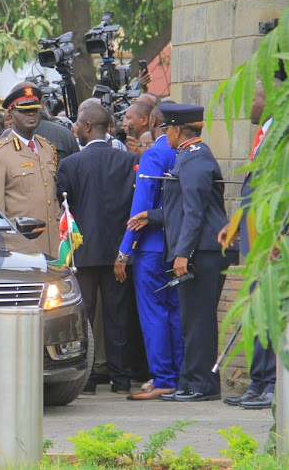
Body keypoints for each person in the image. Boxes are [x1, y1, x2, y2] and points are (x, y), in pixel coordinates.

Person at [128, 103, 237, 402]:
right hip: (198, 247)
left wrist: (182, 253)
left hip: (202, 249)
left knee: (198, 321)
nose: (165, 134)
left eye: (166, 129)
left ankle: (202, 384)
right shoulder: (187, 157)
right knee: (191, 320)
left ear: (176, 129)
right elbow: (182, 207)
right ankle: (192, 381)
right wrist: (151, 217)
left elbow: (195, 211)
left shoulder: (196, 159)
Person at [56, 103, 140, 394]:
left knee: (85, 317)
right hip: (120, 251)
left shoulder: (70, 165)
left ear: (88, 127)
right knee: (118, 315)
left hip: (84, 252)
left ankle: (88, 378)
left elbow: (64, 207)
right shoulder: (129, 161)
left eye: (78, 124)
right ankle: (122, 379)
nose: (75, 129)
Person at [116, 103, 183, 401]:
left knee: (154, 314)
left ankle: (163, 378)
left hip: (152, 246)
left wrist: (124, 250)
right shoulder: (185, 151)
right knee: (175, 313)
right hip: (179, 245)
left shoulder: (154, 154)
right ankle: (177, 376)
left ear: (154, 121)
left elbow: (141, 207)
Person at [218, 79, 278, 410]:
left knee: (267, 310)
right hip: (255, 241)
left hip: (272, 243)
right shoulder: (265, 135)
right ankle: (257, 382)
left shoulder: (281, 138)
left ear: (271, 100)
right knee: (255, 311)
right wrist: (238, 223)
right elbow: (255, 190)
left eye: (253, 98)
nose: (249, 106)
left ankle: (270, 383)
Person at [0, 85, 60, 256]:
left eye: (34, 110)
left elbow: (52, 200)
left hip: (52, 246)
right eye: (24, 111)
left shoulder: (47, 148)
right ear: (10, 116)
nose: (31, 114)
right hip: (21, 249)